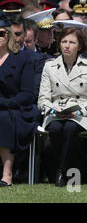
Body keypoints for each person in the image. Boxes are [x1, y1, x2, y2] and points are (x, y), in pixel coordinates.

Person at [37, 27, 87, 186]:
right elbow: (43, 98)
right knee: (57, 129)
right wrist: (52, 110)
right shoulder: (49, 66)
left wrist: (79, 111)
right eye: (64, 42)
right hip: (56, 111)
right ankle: (77, 168)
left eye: (72, 42)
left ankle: (60, 171)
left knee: (70, 128)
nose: (67, 46)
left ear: (79, 46)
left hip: (81, 113)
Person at [0, 13, 39, 187]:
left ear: (8, 35)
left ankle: (6, 173)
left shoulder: (22, 58)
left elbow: (28, 93)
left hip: (15, 108)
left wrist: (8, 103)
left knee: (4, 118)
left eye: (1, 33)